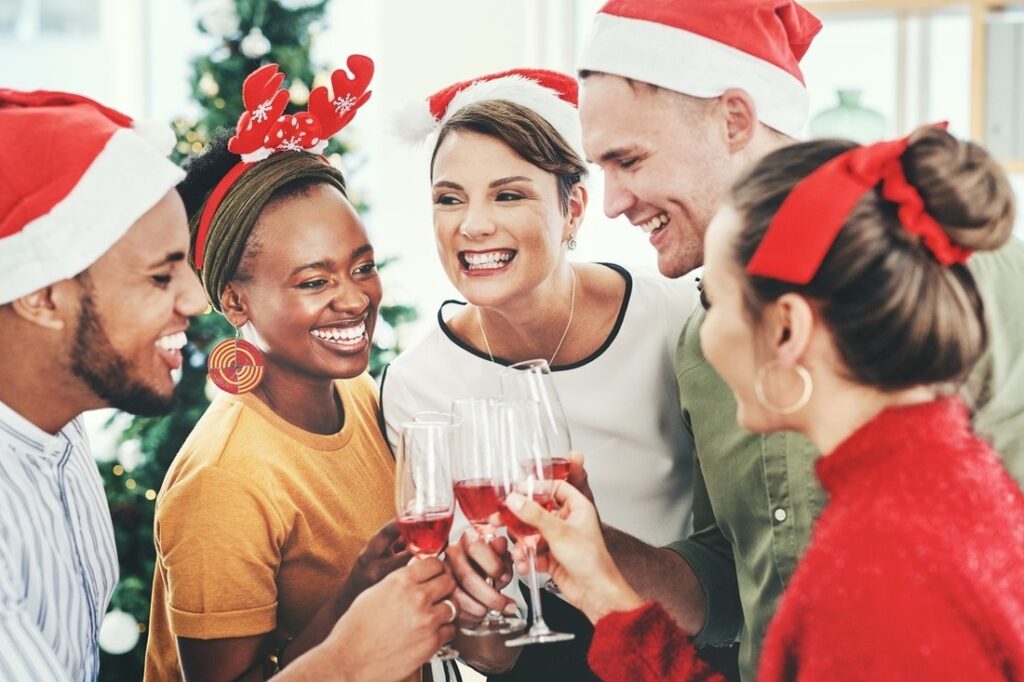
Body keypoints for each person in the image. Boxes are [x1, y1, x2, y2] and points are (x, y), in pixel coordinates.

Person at [572, 0, 1024, 678]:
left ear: (734, 119)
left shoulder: (966, 273)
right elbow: (737, 575)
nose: (611, 202)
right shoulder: (701, 343)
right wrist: (598, 558)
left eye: (628, 159)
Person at [144, 61, 457, 681]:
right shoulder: (224, 479)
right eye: (315, 280)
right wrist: (357, 592)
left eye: (361, 266)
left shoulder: (361, 392)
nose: (355, 299)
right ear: (234, 302)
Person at [385, 68, 698, 679]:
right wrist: (472, 605)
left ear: (573, 207)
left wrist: (588, 549)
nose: (471, 225)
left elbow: (733, 573)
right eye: (450, 198)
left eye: (508, 194)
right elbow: (490, 656)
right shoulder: (418, 384)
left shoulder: (676, 322)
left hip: (677, 656)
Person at [0, 88, 205, 681]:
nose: (195, 299)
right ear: (41, 296)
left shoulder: (59, 418)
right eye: (161, 275)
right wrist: (350, 659)